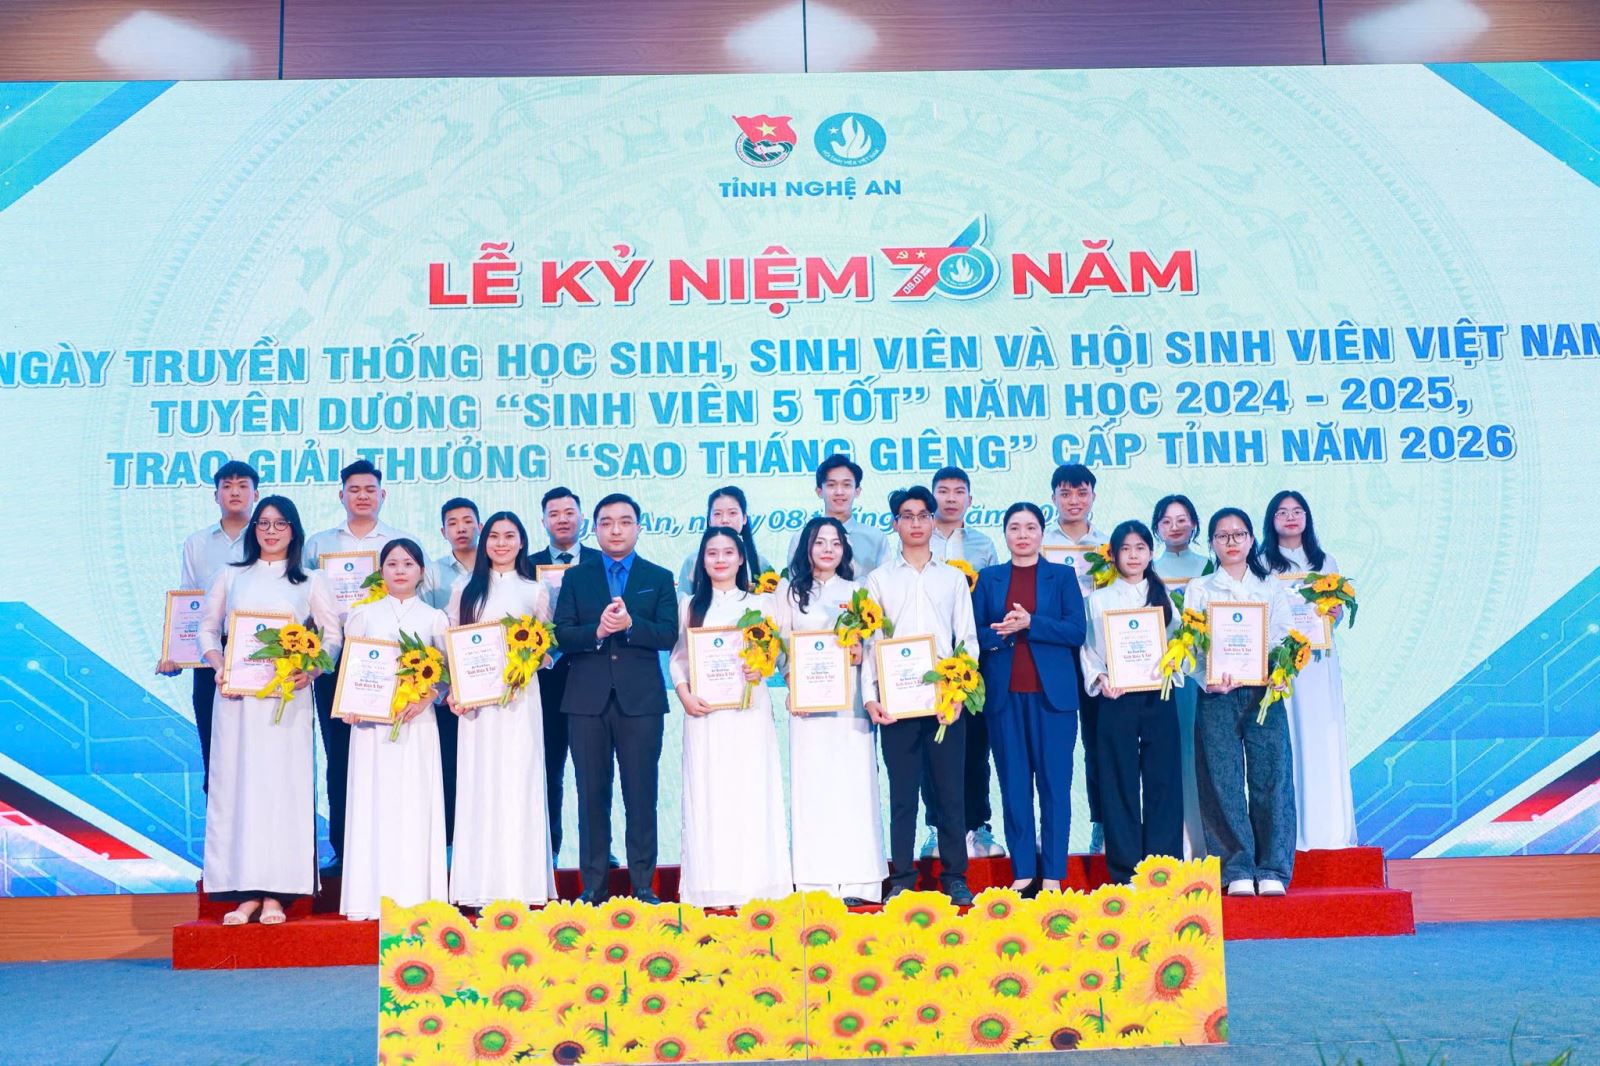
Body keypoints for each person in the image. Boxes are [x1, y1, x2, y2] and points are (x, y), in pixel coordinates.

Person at [196, 496, 341, 926]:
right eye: (264, 523)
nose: (271, 531)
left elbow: (332, 637)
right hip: (237, 701)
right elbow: (207, 629)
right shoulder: (230, 575)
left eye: (280, 524)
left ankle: (277, 894)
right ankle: (243, 893)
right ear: (254, 529)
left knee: (282, 791)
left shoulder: (310, 581)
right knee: (239, 790)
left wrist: (311, 671)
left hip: (286, 702)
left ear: (294, 530)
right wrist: (219, 665)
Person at [553, 493, 678, 904]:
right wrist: (599, 631)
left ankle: (643, 884)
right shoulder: (576, 577)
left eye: (625, 522)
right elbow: (562, 634)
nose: (616, 530)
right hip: (585, 702)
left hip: (641, 703)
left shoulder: (658, 576)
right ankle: (593, 887)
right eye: (606, 523)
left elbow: (667, 634)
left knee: (641, 795)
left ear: (639, 527)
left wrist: (630, 625)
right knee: (591, 796)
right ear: (595, 529)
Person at [862, 486, 978, 905]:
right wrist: (871, 696)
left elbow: (967, 640)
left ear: (933, 521)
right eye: (906, 516)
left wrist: (960, 693)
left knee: (950, 794)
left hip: (944, 702)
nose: (915, 523)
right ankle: (903, 877)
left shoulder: (952, 578)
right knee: (902, 795)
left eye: (922, 515)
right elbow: (871, 642)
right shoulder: (879, 579)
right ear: (895, 524)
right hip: (896, 704)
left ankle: (955, 876)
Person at [670, 528, 792, 906]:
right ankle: (712, 887)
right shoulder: (689, 606)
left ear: (741, 559)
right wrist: (684, 693)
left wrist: (763, 667)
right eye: (712, 553)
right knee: (709, 795)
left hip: (749, 714)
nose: (720, 559)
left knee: (751, 791)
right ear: (702, 561)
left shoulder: (764, 604)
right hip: (704, 716)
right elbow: (678, 659)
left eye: (728, 552)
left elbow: (780, 654)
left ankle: (756, 887)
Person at [305, 459, 417, 872]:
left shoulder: (401, 542)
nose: (363, 496)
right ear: (341, 495)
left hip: (388, 663)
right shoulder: (318, 545)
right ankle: (344, 849)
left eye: (370, 489)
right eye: (354, 489)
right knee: (339, 757)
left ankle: (392, 846)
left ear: (382, 494)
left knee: (389, 752)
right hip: (332, 663)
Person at [772, 516, 887, 905]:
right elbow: (781, 646)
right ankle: (814, 883)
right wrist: (792, 682)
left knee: (854, 789)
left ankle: (860, 883)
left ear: (844, 550)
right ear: (807, 547)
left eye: (835, 543)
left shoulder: (858, 591)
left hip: (851, 706)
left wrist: (861, 652)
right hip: (808, 709)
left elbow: (873, 645)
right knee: (813, 788)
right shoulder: (789, 593)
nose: (827, 549)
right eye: (819, 542)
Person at [1183, 507, 1297, 896]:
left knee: (1271, 776)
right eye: (1222, 536)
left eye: (1238, 534)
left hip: (1263, 692)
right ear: (1211, 543)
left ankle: (1273, 868)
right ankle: (1236, 868)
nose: (1231, 542)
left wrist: (1279, 671)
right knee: (1221, 779)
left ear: (1251, 540)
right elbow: (1190, 649)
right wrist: (1207, 679)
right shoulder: (1200, 589)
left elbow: (1284, 637)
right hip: (1217, 694)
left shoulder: (1270, 586)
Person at [445, 512, 556, 906]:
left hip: (520, 701)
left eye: (510, 536)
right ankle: (478, 887)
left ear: (522, 542)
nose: (502, 543)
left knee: (518, 783)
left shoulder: (535, 590)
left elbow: (547, 649)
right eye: (494, 536)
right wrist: (455, 688)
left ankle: (522, 887)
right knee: (480, 784)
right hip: (477, 707)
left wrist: (527, 663)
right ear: (484, 541)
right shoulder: (464, 588)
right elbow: (452, 644)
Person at [973, 503, 1084, 894]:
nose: (1023, 535)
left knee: (1055, 787)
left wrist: (1032, 623)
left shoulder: (1062, 576)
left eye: (1031, 527)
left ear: (1041, 532)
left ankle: (1053, 873)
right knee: (1014, 786)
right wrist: (1002, 631)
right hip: (1004, 699)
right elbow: (974, 634)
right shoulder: (989, 579)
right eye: (1015, 528)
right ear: (1004, 533)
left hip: (1053, 700)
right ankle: (1022, 870)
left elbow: (1076, 631)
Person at [338, 539, 448, 919]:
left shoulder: (435, 618)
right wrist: (351, 705)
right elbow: (351, 671)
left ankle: (418, 897)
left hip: (417, 724)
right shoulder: (362, 615)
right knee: (374, 803)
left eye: (408, 563)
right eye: (392, 563)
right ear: (381, 571)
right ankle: (369, 898)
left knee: (415, 804)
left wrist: (427, 697)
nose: (400, 570)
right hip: (371, 728)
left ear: (421, 571)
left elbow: (446, 676)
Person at [1081, 520, 1183, 885]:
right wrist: (1101, 680)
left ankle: (1163, 868)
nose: (1134, 555)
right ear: (1113, 555)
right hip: (1117, 697)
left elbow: (1180, 646)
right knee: (1118, 781)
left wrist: (1172, 666)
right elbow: (1089, 650)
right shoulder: (1099, 599)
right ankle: (1124, 871)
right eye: (1126, 549)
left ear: (1151, 553)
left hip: (1158, 695)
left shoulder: (1164, 596)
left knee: (1163, 781)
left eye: (1140, 548)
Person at [1261, 490, 1358, 851]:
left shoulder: (1325, 560)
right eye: (1282, 512)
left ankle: (1327, 830)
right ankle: (1289, 831)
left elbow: (1335, 612)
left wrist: (1335, 613)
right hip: (1282, 663)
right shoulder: (1263, 563)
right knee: (1287, 738)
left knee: (1322, 735)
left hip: (1319, 663)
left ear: (1307, 517)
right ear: (1271, 520)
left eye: (1297, 511)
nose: (1290, 517)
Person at [156, 459, 258, 795]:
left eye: (242, 486)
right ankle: (218, 822)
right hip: (208, 651)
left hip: (258, 650)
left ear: (255, 494)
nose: (235, 492)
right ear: (216, 495)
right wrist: (174, 653)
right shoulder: (197, 542)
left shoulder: (267, 538)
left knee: (257, 749)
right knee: (214, 748)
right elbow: (188, 600)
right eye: (227, 486)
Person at [921, 466, 1004, 861]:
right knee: (931, 746)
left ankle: (979, 826)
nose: (951, 498)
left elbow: (992, 603)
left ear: (970, 499)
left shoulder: (984, 545)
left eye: (959, 492)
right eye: (943, 491)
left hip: (973, 658)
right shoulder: (917, 540)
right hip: (928, 659)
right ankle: (936, 829)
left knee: (975, 745)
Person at [529, 486, 602, 865]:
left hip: (594, 677)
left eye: (569, 512)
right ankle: (549, 852)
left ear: (581, 518)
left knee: (594, 773)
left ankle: (599, 851)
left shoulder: (602, 561)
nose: (562, 519)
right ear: (543, 521)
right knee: (549, 772)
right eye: (554, 514)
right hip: (547, 683)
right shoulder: (527, 565)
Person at [1042, 463, 1110, 854]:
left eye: (1081, 493)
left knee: (1099, 744)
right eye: (1065, 493)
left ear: (1093, 496)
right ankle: (1048, 831)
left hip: (1098, 654)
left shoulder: (1108, 546)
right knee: (1051, 746)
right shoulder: (1040, 542)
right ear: (1053, 497)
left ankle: (1102, 825)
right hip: (1054, 653)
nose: (1074, 501)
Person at [1150, 493, 1208, 859]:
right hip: (1163, 674)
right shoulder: (1148, 567)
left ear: (1195, 524)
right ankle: (1177, 845)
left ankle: (1207, 843)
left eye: (1182, 519)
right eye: (1167, 521)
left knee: (1203, 752)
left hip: (1203, 673)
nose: (1175, 527)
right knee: (1171, 754)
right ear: (1156, 528)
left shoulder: (1210, 566)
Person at [420, 496, 479, 848]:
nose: (461, 528)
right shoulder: (432, 573)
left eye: (468, 521)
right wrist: (443, 687)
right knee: (450, 769)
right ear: (443, 531)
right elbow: (425, 630)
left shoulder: (499, 569)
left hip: (492, 687)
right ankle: (449, 850)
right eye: (453, 523)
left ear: (480, 526)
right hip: (447, 690)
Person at [788, 453, 888, 574]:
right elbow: (795, 581)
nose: (839, 492)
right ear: (819, 491)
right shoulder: (801, 537)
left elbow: (885, 581)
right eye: (831, 485)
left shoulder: (875, 537)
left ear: (857, 491)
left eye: (846, 485)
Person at [677, 486, 773, 589]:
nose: (725, 520)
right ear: (709, 521)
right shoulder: (693, 561)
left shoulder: (760, 563)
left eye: (732, 513)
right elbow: (683, 597)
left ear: (744, 518)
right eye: (717, 514)